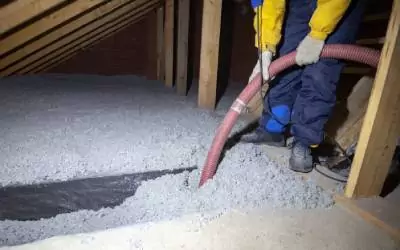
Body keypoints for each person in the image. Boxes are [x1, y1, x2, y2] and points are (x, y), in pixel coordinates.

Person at [241, 0, 367, 174]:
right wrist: (266, 48)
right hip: (299, 3)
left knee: (321, 71)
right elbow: (268, 8)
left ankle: (304, 141)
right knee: (285, 60)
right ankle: (273, 128)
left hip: (339, 6)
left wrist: (318, 35)